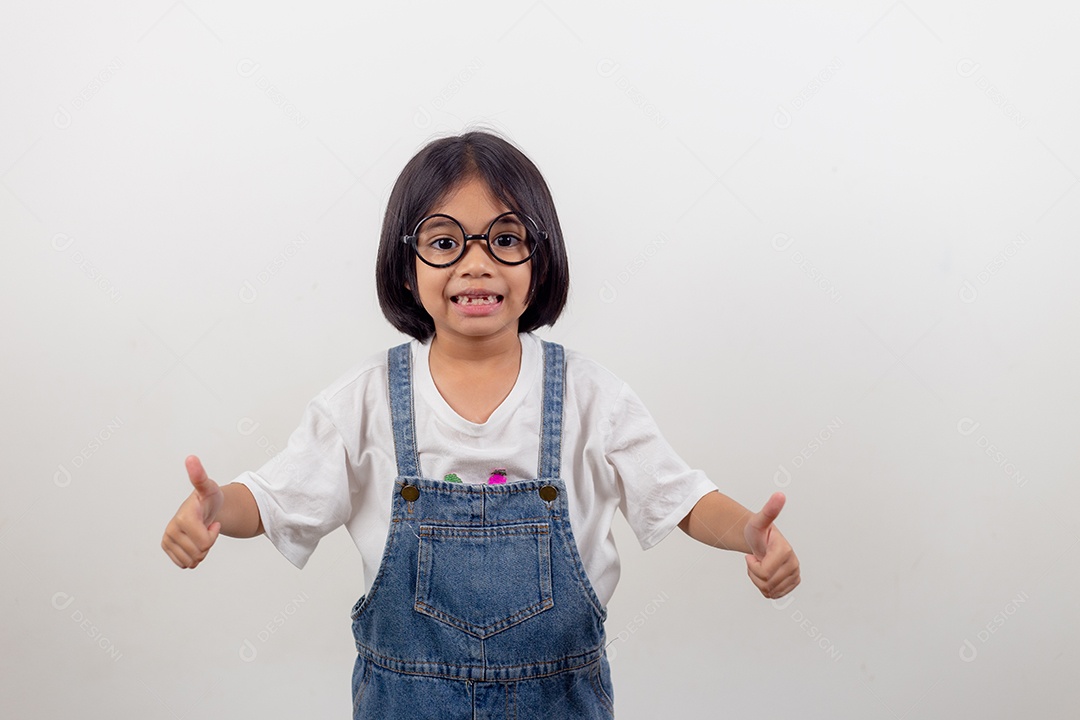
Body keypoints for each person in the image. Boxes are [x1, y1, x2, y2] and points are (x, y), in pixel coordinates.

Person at [161, 130, 800, 718]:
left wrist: (748, 531)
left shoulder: (590, 396)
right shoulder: (366, 400)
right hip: (405, 700)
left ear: (539, 261)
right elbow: (277, 499)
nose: (476, 263)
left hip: (560, 699)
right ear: (405, 267)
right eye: (444, 242)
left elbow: (680, 498)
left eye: (505, 239)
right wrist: (221, 508)